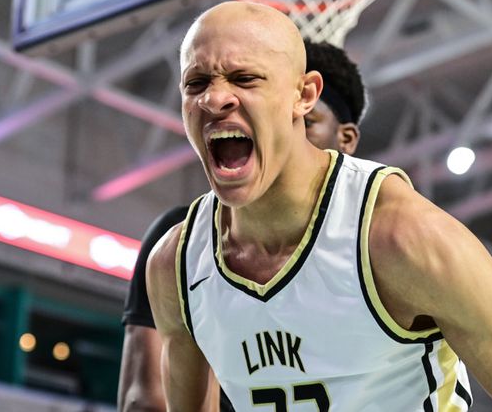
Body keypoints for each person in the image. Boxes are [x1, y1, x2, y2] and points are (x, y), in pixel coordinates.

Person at [147, 1, 492, 411]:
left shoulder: (402, 237)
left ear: (304, 96)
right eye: (196, 82)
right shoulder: (175, 266)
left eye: (244, 78)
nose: (214, 98)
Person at [117, 39, 365, 411]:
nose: (287, 131)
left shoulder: (379, 237)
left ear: (345, 138)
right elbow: (146, 398)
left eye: (306, 121)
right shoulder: (181, 244)